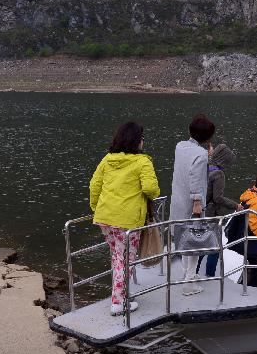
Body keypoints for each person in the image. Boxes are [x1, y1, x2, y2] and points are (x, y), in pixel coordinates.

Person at [90, 121, 160, 315]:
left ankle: (120, 295)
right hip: (127, 221)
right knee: (125, 260)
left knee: (117, 257)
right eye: (142, 138)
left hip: (105, 217)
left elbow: (94, 186)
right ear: (136, 141)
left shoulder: (107, 159)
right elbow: (150, 189)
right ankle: (118, 303)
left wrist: (96, 208)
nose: (143, 142)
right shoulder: (142, 162)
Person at [170, 114, 215, 295]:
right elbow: (196, 177)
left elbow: (188, 166)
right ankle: (189, 282)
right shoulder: (201, 154)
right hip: (192, 204)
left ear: (189, 131)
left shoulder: (179, 146)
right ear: (208, 138)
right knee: (195, 242)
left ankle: (186, 275)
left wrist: (206, 156)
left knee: (183, 239)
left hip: (178, 201)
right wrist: (198, 203)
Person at [200, 143, 239, 277]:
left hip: (199, 212)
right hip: (211, 214)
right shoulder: (219, 174)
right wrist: (235, 205)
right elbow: (218, 198)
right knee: (215, 247)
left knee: (200, 245)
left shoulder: (205, 168)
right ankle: (210, 275)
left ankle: (194, 271)